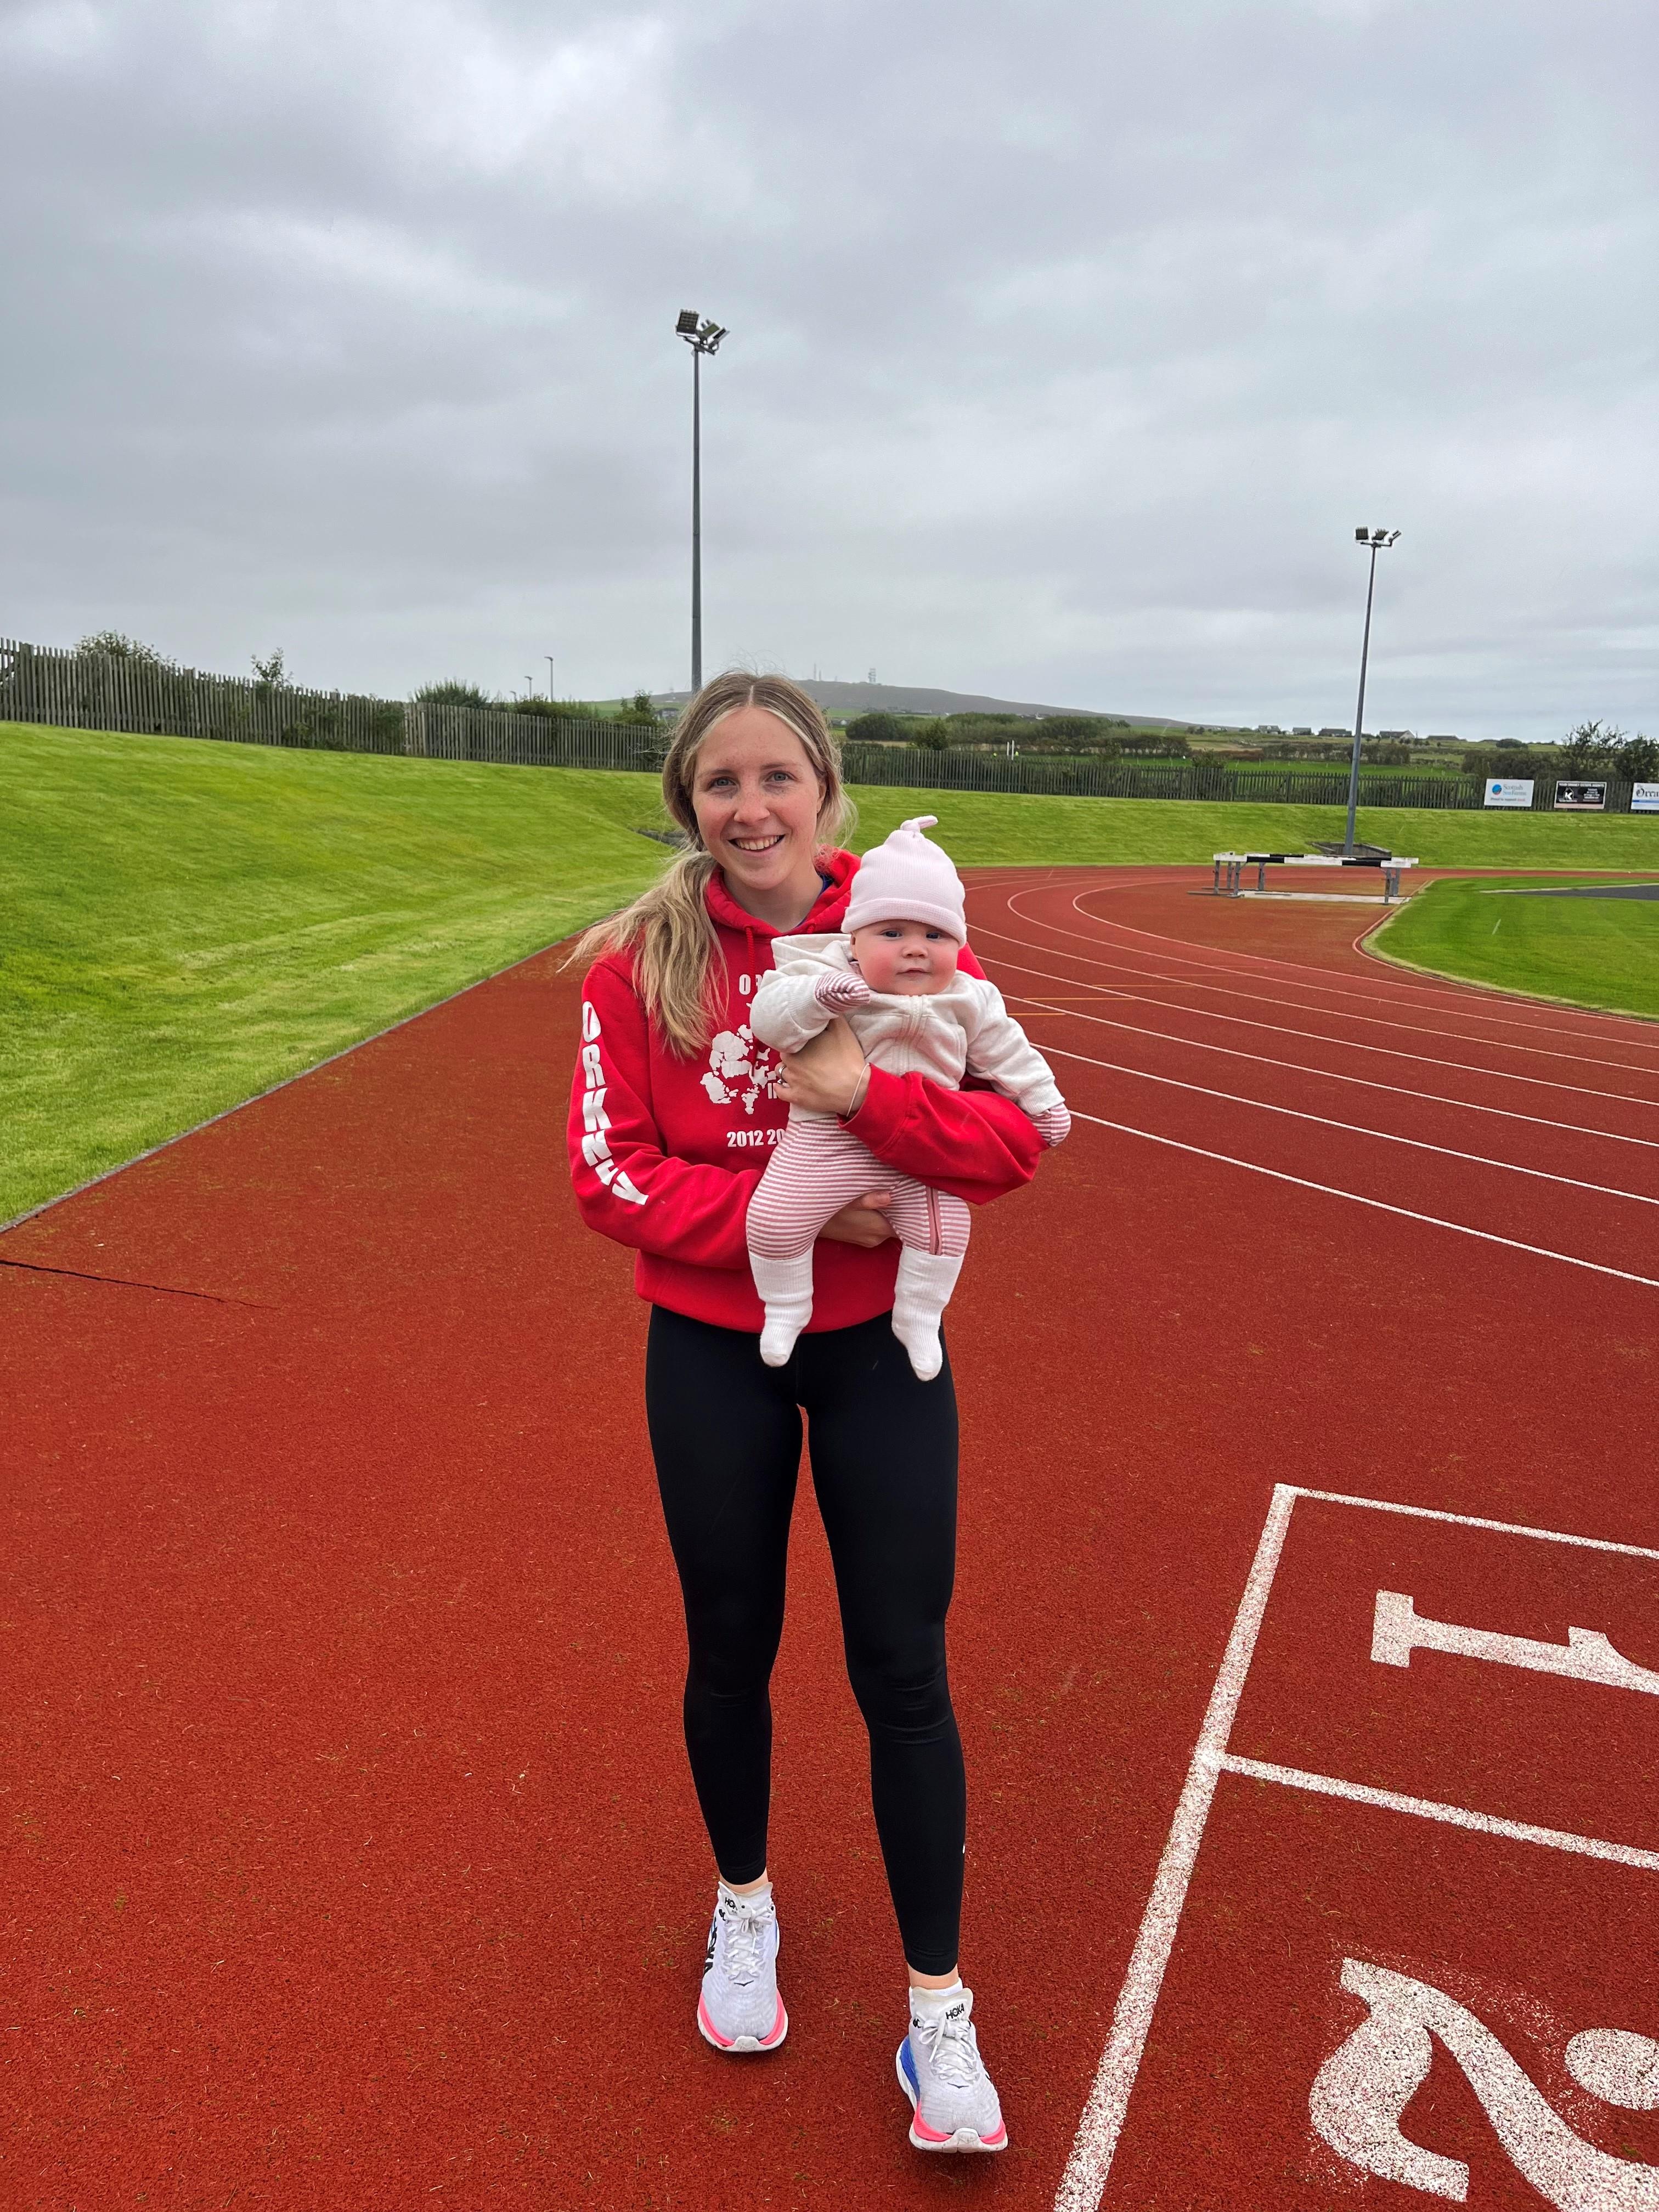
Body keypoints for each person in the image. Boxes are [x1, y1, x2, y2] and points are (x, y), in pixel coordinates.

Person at [566, 672, 1052, 2154]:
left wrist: (866, 1105)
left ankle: (937, 2012)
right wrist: (794, 1223)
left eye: (780, 776)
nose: (753, 806)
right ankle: (744, 1912)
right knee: (732, 1650)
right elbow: (610, 1176)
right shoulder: (631, 969)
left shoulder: (908, 928)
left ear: (826, 793)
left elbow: (1011, 1139)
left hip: (879, 1363)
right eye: (723, 782)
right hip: (715, 1349)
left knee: (904, 1669)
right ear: (687, 803)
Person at [746, 814, 1069, 1379]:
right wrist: (820, 996)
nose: (915, 951)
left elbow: (1009, 1054)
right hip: (825, 1142)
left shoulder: (971, 997)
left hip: (919, 1153)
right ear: (855, 939)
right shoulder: (821, 969)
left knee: (946, 1232)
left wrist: (1043, 1104)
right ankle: (786, 1305)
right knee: (773, 1218)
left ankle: (918, 1316)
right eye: (892, 934)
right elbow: (770, 1017)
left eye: (935, 936)